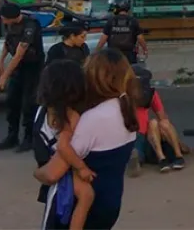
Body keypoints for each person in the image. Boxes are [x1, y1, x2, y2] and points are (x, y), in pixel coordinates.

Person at [35, 49, 139, 230]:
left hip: (77, 208)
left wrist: (37, 173)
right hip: (111, 202)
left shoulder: (91, 118)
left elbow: (53, 173)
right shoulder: (126, 110)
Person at [42, 63, 96, 230]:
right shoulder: (70, 115)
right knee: (87, 195)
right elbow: (63, 147)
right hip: (65, 167)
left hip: (53, 162)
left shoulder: (46, 110)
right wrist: (82, 168)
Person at [0, 2, 45, 153]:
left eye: (4, 19)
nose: (3, 21)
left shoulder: (30, 25)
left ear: (12, 17)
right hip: (18, 69)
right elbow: (7, 42)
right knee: (12, 101)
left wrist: (3, 77)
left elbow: (19, 55)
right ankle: (12, 136)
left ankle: (29, 138)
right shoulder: (9, 24)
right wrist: (0, 61)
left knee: (29, 104)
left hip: (32, 68)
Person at [128, 65, 187, 176]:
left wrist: (177, 142)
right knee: (153, 125)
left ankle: (175, 156)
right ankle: (158, 159)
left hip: (146, 137)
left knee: (156, 123)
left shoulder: (147, 94)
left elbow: (163, 119)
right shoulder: (146, 94)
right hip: (139, 136)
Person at [96, 0, 146, 65]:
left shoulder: (111, 21)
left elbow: (103, 39)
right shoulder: (133, 21)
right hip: (129, 54)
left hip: (113, 54)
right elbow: (140, 38)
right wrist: (145, 49)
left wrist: (97, 51)